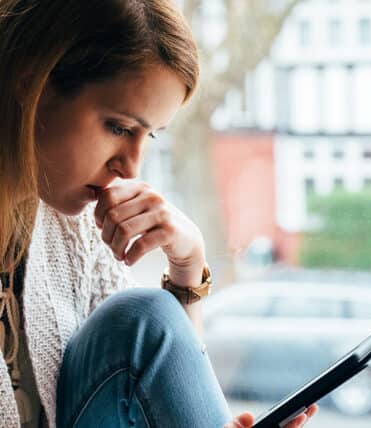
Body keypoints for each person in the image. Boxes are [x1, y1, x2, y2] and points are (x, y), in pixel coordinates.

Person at [0, 0, 319, 427]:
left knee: (144, 319)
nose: (130, 167)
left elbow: (155, 385)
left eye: (149, 135)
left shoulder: (70, 231)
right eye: (118, 127)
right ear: (32, 82)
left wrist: (187, 268)